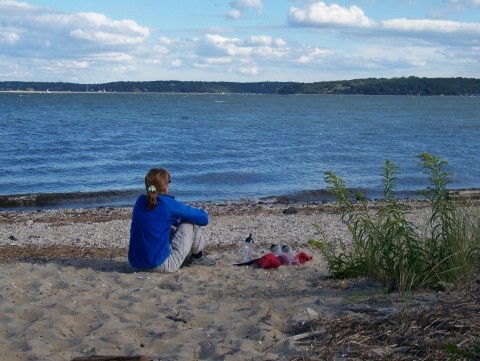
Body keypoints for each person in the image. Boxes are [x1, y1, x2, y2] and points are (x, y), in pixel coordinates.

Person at [128, 167, 215, 273]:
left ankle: (192, 256)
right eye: (168, 182)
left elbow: (157, 217)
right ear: (165, 186)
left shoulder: (140, 202)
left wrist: (174, 219)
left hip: (136, 264)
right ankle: (197, 256)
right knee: (191, 221)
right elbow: (203, 219)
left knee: (163, 227)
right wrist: (194, 213)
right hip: (161, 265)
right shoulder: (167, 203)